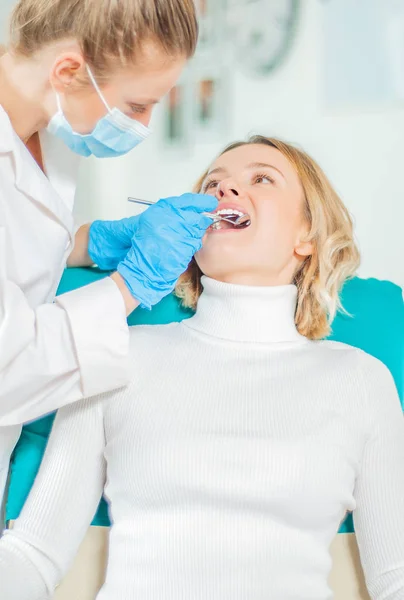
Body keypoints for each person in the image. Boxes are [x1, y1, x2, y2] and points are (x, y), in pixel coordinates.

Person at [0, 135, 403, 600]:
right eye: (214, 183)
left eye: (261, 179)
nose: (225, 191)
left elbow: (395, 577)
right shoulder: (118, 351)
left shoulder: (361, 379)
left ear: (307, 236)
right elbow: (33, 553)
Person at [0, 0, 217, 505]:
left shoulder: (43, 125)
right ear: (70, 70)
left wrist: (88, 241)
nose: (142, 125)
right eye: (138, 105)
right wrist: (130, 286)